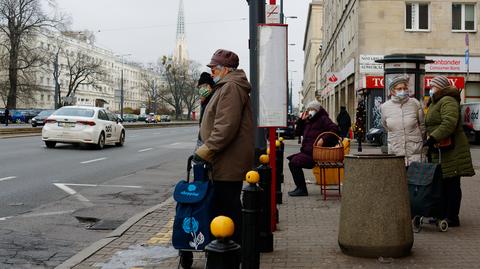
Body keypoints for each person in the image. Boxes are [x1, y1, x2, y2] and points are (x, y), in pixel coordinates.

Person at [194, 49, 254, 242]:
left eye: (214, 69)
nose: (212, 73)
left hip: (227, 161)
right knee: (226, 207)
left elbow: (226, 126)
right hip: (225, 160)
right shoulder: (227, 86)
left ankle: (232, 252)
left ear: (225, 69)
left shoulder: (231, 87)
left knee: (227, 208)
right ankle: (232, 250)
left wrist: (206, 150)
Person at [425, 75, 475, 227]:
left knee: (452, 183)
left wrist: (433, 138)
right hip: (441, 149)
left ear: (441, 87)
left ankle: (452, 216)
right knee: (442, 182)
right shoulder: (436, 101)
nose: (431, 89)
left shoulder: (448, 100)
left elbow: (449, 123)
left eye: (433, 86)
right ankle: (441, 214)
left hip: (452, 149)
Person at [287, 100, 339, 197]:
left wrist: (323, 139)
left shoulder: (323, 119)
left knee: (294, 163)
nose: (310, 111)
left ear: (317, 110)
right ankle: (300, 188)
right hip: (307, 152)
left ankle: (302, 189)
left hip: (316, 154)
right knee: (291, 162)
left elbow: (334, 129)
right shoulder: (308, 121)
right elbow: (297, 133)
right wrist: (301, 121)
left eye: (312, 109)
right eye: (309, 109)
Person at [380, 75, 425, 167]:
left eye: (405, 88)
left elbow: (422, 125)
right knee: (398, 179)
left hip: (414, 150)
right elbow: (385, 125)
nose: (403, 91)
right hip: (396, 150)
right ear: (392, 91)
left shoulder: (415, 103)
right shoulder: (385, 107)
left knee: (415, 179)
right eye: (399, 89)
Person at [195, 72, 215, 149]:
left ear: (210, 86)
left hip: (208, 141)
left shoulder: (212, 100)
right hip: (203, 139)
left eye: (203, 86)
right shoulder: (204, 101)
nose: (201, 90)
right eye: (199, 88)